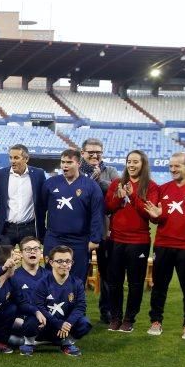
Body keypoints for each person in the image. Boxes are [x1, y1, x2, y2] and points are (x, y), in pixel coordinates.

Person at [104, 150, 159, 332]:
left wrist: (134, 196)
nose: (131, 165)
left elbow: (150, 216)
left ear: (143, 164)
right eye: (129, 161)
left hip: (139, 241)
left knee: (135, 283)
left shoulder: (151, 187)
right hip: (116, 240)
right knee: (114, 282)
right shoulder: (116, 184)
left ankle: (129, 319)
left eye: (135, 161)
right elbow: (108, 209)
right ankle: (115, 317)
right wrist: (118, 197)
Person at [144, 152, 185, 339]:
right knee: (159, 287)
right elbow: (155, 218)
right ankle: (155, 321)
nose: (172, 169)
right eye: (171, 166)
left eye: (177, 166)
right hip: (163, 245)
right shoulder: (163, 189)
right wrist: (156, 215)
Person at [38, 149, 103, 282]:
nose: (64, 165)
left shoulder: (91, 186)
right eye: (62, 162)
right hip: (54, 238)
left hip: (79, 241)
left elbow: (97, 214)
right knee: (50, 277)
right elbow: (40, 210)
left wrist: (95, 239)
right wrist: (42, 235)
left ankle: (75, 303)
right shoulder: (50, 183)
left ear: (78, 163)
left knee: (77, 279)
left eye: (69, 162)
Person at [20, 245, 92, 357]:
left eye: (68, 261)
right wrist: (58, 323)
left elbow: (81, 306)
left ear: (72, 263)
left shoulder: (77, 283)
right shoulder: (42, 283)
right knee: (32, 320)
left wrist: (68, 323)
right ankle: (29, 342)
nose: (64, 264)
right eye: (59, 261)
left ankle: (66, 343)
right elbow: (39, 306)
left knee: (85, 323)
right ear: (51, 262)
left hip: (65, 325)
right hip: (46, 324)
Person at [80, 138, 120, 324]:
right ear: (82, 153)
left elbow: (116, 194)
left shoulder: (110, 171)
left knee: (108, 274)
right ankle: (77, 311)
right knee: (78, 274)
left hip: (104, 231)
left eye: (98, 152)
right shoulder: (76, 169)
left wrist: (99, 180)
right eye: (91, 152)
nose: (95, 155)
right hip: (80, 232)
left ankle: (108, 311)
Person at [0, 144, 47, 246]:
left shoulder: (38, 174)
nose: (12, 161)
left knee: (30, 260)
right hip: (6, 229)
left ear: (26, 159)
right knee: (3, 260)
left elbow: (45, 199)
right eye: (10, 157)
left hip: (29, 228)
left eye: (16, 158)